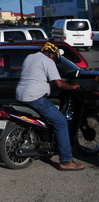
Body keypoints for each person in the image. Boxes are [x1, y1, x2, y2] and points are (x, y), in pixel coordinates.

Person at [16, 41, 85, 171]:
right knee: (60, 121)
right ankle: (66, 161)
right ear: (52, 54)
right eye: (54, 57)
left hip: (21, 95)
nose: (54, 59)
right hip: (35, 97)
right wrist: (71, 86)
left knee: (50, 115)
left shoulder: (29, 57)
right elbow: (58, 84)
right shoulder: (48, 61)